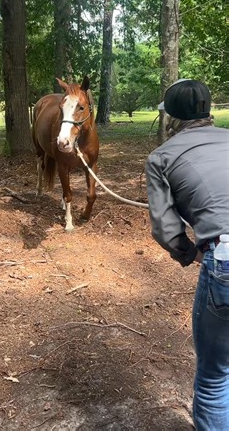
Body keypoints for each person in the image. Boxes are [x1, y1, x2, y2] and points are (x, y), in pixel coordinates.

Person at [145, 79, 229, 431]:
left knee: (214, 379)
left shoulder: (161, 157)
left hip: (224, 257)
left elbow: (165, 229)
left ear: (171, 118)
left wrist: (191, 254)